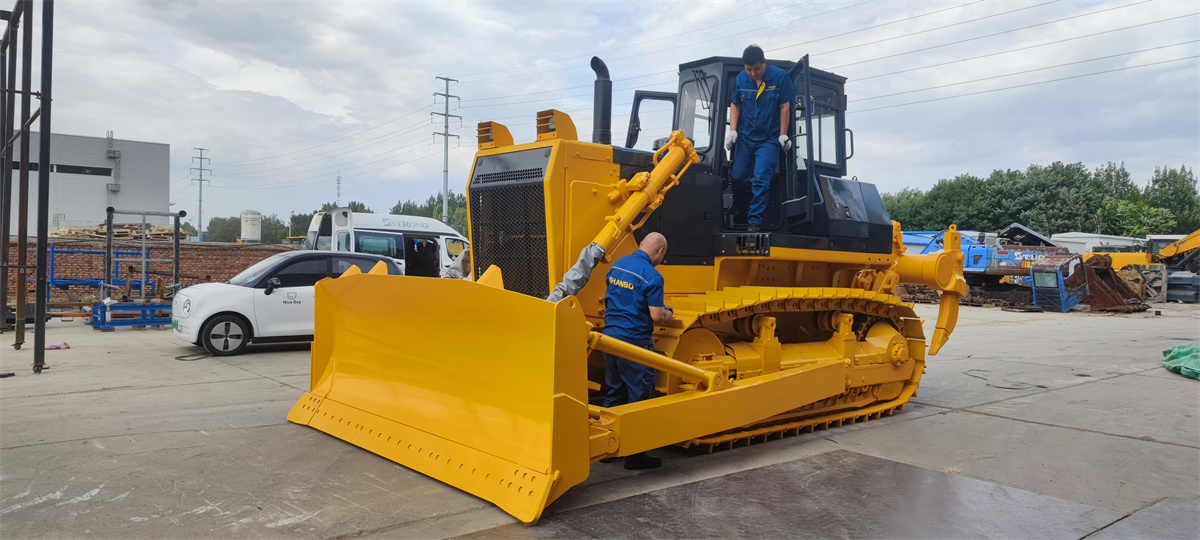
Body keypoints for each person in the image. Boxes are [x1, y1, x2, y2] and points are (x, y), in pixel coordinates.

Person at [602, 232, 674, 470]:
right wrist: (668, 313)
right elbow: (656, 315)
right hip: (634, 344)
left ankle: (607, 447)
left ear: (641, 244)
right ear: (660, 251)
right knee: (639, 397)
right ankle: (635, 455)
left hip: (609, 340)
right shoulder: (652, 276)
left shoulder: (618, 265)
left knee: (615, 393)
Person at [725, 44, 797, 233]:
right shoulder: (741, 79)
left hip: (768, 139)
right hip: (746, 138)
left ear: (764, 63)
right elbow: (735, 105)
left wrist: (783, 134)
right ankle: (740, 205)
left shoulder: (780, 77)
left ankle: (754, 222)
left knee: (761, 179)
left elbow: (785, 107)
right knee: (738, 177)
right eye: (749, 69)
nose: (753, 73)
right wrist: (733, 130)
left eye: (756, 69)